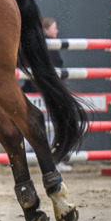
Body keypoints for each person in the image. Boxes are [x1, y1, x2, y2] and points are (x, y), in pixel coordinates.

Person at [22, 17, 70, 171]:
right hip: (39, 92)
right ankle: (54, 159)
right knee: (48, 126)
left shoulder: (35, 42)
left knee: (37, 125)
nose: (56, 31)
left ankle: (30, 157)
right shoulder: (47, 45)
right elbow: (56, 69)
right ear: (46, 30)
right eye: (54, 28)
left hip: (33, 91)